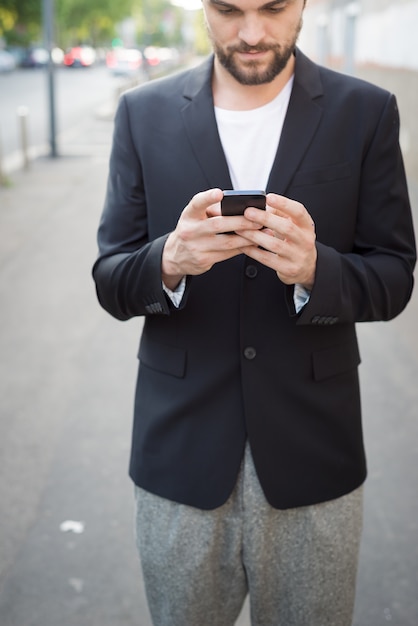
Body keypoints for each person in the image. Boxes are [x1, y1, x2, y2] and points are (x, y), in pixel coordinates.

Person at [92, 0, 416, 624]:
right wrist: (169, 259)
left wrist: (317, 272)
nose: (250, 33)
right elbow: (110, 278)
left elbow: (394, 276)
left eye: (272, 8)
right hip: (179, 458)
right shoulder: (143, 112)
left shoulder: (366, 111)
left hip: (313, 455)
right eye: (228, 9)